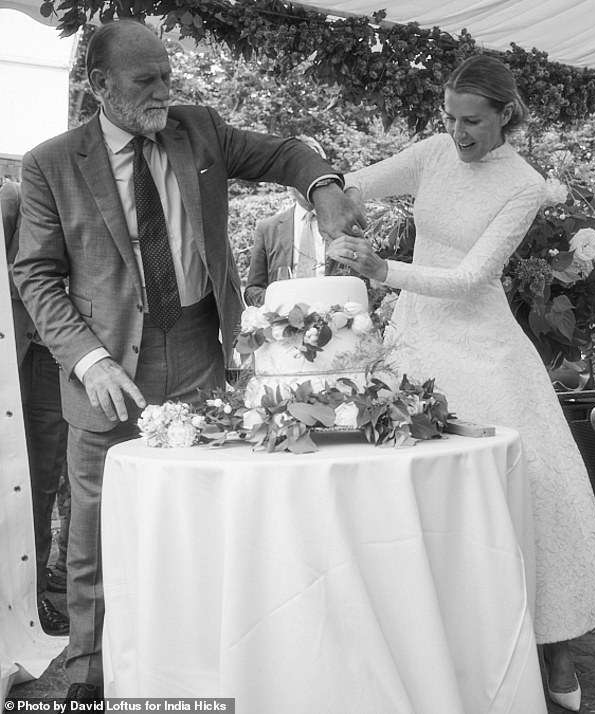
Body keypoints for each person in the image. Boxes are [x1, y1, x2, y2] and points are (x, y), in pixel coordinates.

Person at [12, 19, 365, 702]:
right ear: (99, 84)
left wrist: (323, 189)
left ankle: (195, 666)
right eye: (147, 80)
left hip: (202, 357)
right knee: (97, 532)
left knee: (201, 517)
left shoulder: (197, 129)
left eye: (168, 75)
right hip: (108, 373)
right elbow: (36, 278)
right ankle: (87, 676)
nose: (164, 92)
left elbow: (288, 152)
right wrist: (87, 361)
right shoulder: (50, 164)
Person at [327, 54, 595, 713]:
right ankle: (433, 641)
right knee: (415, 491)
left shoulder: (521, 184)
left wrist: (384, 267)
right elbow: (355, 183)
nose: (458, 133)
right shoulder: (435, 151)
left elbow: (470, 278)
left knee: (531, 483)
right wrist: (334, 198)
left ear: (505, 116)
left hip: (486, 348)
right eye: (450, 118)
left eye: (472, 122)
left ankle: (554, 640)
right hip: (414, 341)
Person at [1, 180, 70, 636]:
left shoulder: (15, 196)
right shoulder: (10, 202)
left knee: (40, 479)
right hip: (13, 358)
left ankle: (31, 595)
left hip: (48, 356)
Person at [244, 135, 330, 306]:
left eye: (311, 170)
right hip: (285, 326)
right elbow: (252, 290)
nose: (304, 179)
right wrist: (280, 305)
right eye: (295, 170)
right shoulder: (268, 229)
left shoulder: (344, 223)